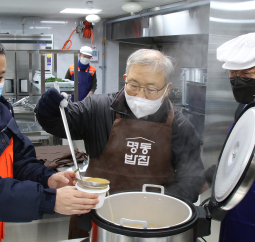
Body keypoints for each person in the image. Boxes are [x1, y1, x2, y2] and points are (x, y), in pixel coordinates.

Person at [35, 49, 205, 239]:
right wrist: (48, 110)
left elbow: (192, 179)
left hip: (154, 226)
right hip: (95, 217)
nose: (140, 95)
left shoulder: (181, 127)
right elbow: (61, 123)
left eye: (151, 89)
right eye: (133, 84)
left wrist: (157, 204)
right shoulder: (97, 108)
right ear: (125, 78)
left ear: (167, 88)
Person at [0, 31, 99, 242]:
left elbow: (20, 161)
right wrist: (48, 200)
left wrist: (47, 179)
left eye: (0, 77)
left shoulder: (0, 115)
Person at [216, 32, 255, 242]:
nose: (238, 79)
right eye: (232, 73)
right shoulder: (245, 107)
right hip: (238, 203)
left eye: (247, 73)